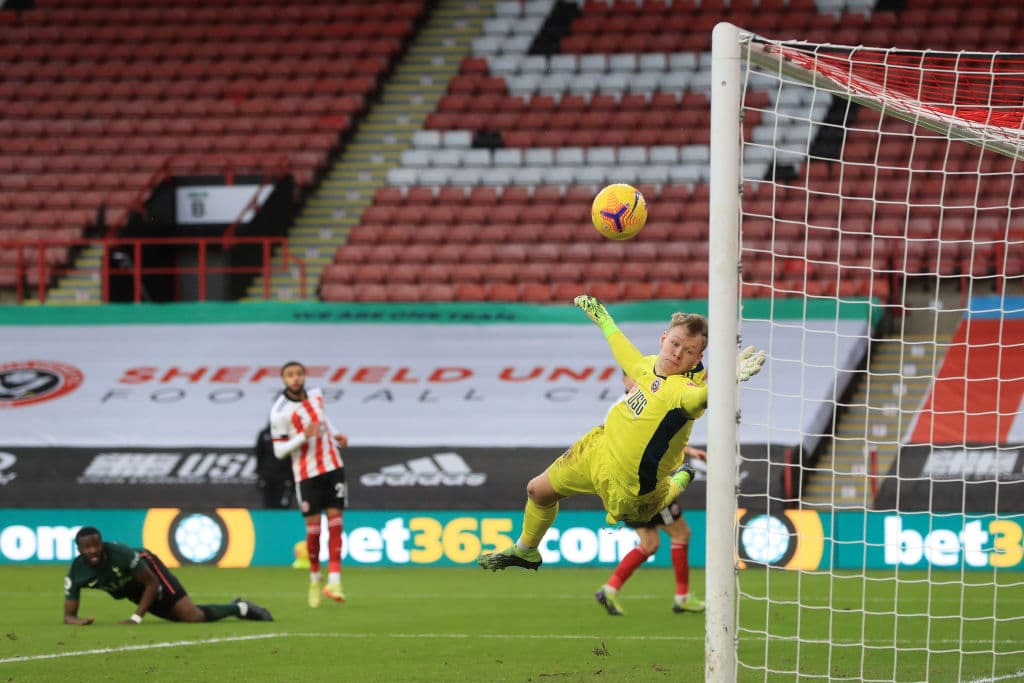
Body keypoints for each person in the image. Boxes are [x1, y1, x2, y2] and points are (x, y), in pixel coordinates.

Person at [477, 294, 765, 573]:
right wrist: (603, 318)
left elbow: (701, 398)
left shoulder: (683, 392)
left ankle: (679, 479)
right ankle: (526, 549)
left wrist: (728, 378)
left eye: (688, 351)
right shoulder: (646, 367)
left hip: (631, 491)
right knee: (536, 491)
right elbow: (621, 347)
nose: (678, 353)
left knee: (638, 512)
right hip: (597, 452)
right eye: (675, 343)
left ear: (696, 359)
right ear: (663, 339)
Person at [594, 374, 708, 615]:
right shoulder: (629, 407)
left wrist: (688, 450)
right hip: (648, 486)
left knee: (650, 543)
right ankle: (682, 596)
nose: (639, 381)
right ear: (624, 380)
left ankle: (610, 589)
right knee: (681, 534)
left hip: (625, 488)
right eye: (633, 377)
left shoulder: (622, 407)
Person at [63, 526, 272, 625]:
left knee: (192, 616)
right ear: (79, 550)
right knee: (183, 618)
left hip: (149, 573)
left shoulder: (122, 555)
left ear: (102, 544)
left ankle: (241, 608)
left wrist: (136, 618)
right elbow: (68, 615)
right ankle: (236, 606)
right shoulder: (77, 572)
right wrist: (77, 621)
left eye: (96, 545)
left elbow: (151, 583)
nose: (92, 551)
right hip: (133, 588)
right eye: (87, 548)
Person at [270, 360, 349, 607]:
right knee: (313, 531)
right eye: (290, 375)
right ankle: (315, 577)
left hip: (333, 466)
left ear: (304, 376)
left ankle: (335, 581)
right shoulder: (279, 411)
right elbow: (279, 451)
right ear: (284, 379)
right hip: (307, 474)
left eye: (299, 374)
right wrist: (303, 437)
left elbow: (323, 419)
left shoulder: (316, 394)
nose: (295, 378)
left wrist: (335, 434)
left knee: (336, 523)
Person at [255, 423, 294, 509]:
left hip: (285, 477)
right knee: (268, 503)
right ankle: (268, 521)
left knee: (283, 504)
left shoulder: (290, 435)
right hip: (268, 476)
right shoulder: (265, 434)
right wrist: (260, 474)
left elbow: (293, 456)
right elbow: (259, 454)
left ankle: (283, 521)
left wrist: (291, 477)